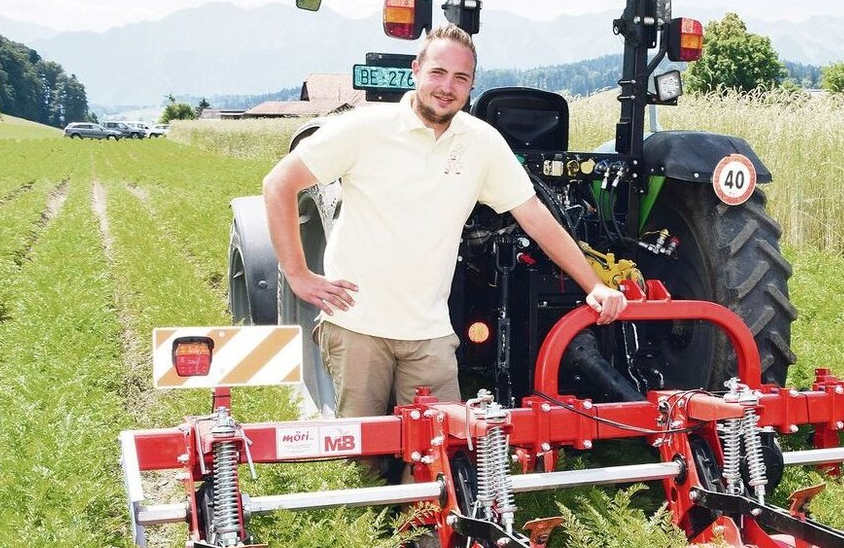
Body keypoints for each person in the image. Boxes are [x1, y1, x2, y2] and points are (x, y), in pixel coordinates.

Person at [262, 23, 627, 419]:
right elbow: (279, 183)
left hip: (430, 334)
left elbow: (536, 217)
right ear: (416, 70)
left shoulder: (481, 142)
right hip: (358, 326)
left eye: (460, 78)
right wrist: (297, 273)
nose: (446, 86)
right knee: (367, 459)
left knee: (442, 455)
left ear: (471, 85)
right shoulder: (364, 129)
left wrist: (594, 285)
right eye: (437, 72)